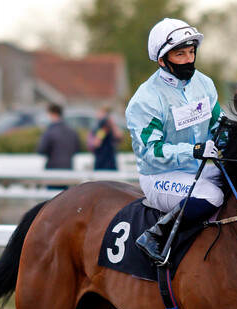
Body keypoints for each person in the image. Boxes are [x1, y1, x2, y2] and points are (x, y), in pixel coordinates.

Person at [126, 17, 225, 263]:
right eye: (180, 55)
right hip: (158, 176)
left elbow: (218, 126)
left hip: (196, 171)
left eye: (191, 52)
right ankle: (156, 235)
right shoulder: (146, 99)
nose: (189, 59)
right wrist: (193, 150)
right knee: (214, 197)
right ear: (162, 60)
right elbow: (150, 152)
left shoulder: (204, 84)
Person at [37, 103, 80, 170]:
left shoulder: (50, 131)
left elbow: (42, 150)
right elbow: (77, 148)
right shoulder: (71, 131)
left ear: (53, 114)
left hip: (52, 168)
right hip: (69, 167)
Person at [90, 106, 123, 170]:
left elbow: (119, 138)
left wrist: (112, 125)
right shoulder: (98, 127)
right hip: (100, 161)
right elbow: (96, 143)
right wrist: (103, 130)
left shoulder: (111, 127)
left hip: (110, 161)